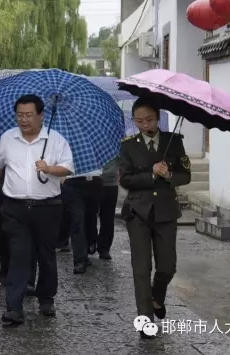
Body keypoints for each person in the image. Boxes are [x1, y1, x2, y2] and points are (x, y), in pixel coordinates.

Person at [0, 94, 73, 325]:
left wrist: (49, 168)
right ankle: (13, 306)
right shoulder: (8, 138)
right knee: (19, 255)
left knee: (46, 255)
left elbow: (67, 169)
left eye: (29, 115)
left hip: (48, 208)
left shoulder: (55, 140)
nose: (24, 120)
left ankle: (46, 298)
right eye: (20, 115)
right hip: (15, 207)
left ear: (41, 116)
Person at [118, 97, 191, 339]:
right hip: (138, 212)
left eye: (148, 119)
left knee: (167, 266)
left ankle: (157, 296)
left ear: (157, 118)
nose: (144, 124)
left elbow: (185, 175)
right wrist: (150, 174)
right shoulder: (128, 146)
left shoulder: (174, 141)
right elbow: (126, 179)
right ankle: (145, 320)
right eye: (139, 120)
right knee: (141, 268)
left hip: (166, 212)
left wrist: (168, 173)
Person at [0, 138, 37, 292]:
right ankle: (5, 267)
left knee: (30, 236)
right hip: (4, 190)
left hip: (31, 192)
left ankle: (30, 279)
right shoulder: (4, 133)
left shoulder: (40, 136)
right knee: (2, 234)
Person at [60, 168, 103, 274]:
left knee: (91, 220)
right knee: (77, 221)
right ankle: (79, 259)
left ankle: (87, 251)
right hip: (73, 182)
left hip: (94, 182)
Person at [94, 157, 119, 260]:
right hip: (92, 181)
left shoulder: (115, 143)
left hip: (110, 183)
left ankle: (104, 248)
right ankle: (91, 242)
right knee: (90, 215)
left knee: (108, 218)